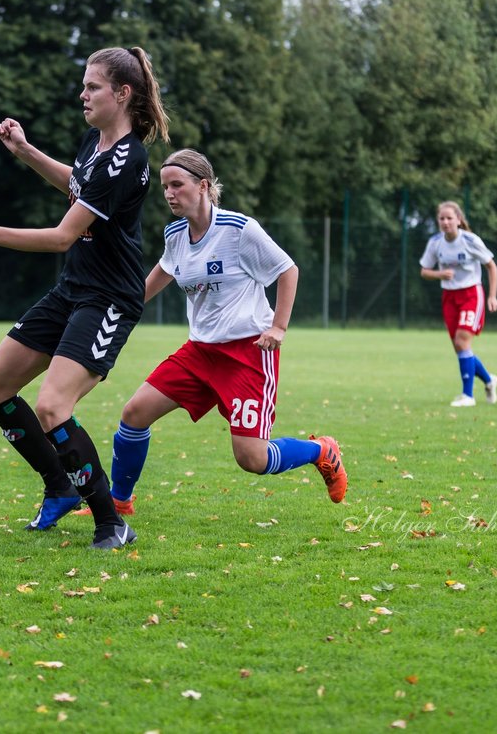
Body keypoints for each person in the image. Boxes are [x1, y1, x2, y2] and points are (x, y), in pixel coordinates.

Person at [0, 46, 169, 549]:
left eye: (93, 86)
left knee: (53, 405)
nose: (83, 94)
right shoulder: (94, 144)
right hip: (73, 290)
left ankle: (111, 523)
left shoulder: (128, 157)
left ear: (123, 93)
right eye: (84, 84)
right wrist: (25, 151)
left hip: (109, 298)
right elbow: (75, 187)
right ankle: (59, 485)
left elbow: (61, 236)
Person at [80, 149, 346, 520]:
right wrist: (118, 306)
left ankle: (322, 451)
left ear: (203, 185)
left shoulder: (239, 230)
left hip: (247, 353)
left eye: (177, 185)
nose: (170, 194)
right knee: (135, 413)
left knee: (251, 458)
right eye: (165, 187)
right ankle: (119, 503)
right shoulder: (175, 234)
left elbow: (288, 270)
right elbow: (159, 275)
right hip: (199, 352)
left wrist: (279, 327)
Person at [419, 200, 497, 407]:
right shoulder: (436, 243)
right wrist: (440, 274)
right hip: (449, 297)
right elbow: (424, 271)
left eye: (449, 218)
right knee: (460, 347)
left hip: (471, 294)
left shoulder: (470, 241)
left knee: (463, 342)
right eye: (441, 218)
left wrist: (492, 296)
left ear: (459, 220)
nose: (445, 222)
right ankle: (489, 380)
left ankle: (468, 396)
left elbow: (491, 266)